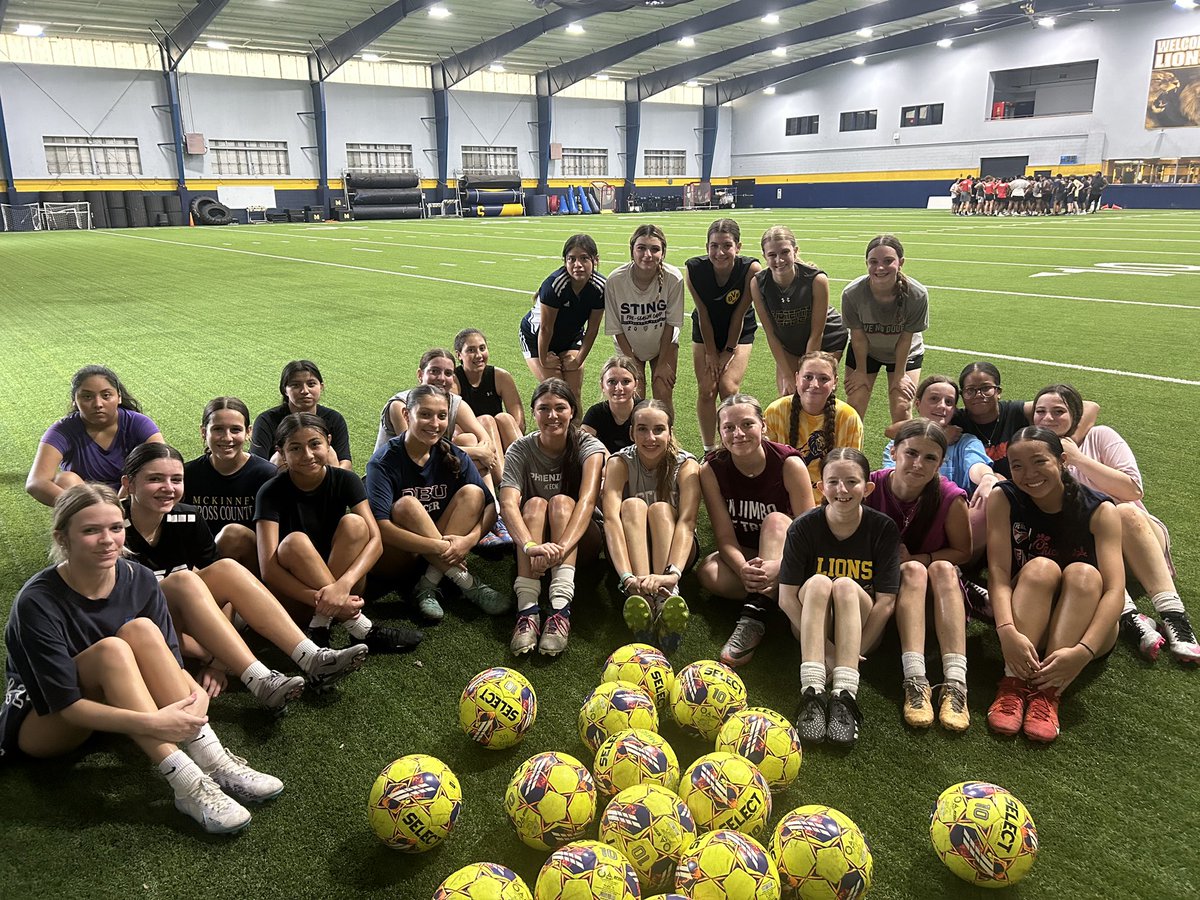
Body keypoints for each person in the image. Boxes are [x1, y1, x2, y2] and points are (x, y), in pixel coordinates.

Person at [1, 484, 279, 834]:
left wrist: (196, 697)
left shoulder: (140, 578)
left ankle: (217, 762)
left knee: (141, 630)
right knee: (111, 649)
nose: (108, 540)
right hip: (48, 724)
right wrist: (152, 724)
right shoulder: (36, 602)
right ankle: (188, 786)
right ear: (63, 537)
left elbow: (172, 663)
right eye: (90, 530)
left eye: (116, 528)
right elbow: (66, 706)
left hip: (114, 708)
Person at [121, 443, 367, 710]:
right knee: (184, 580)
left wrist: (218, 659)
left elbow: (222, 594)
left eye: (176, 479)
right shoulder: (111, 527)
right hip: (141, 632)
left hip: (183, 623)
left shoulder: (188, 517)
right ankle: (257, 675)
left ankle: (310, 658)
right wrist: (209, 652)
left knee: (224, 568)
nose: (168, 487)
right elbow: (116, 615)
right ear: (129, 484)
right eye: (154, 479)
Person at [1031, 384, 1197, 664]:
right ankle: (1131, 619)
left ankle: (1175, 618)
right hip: (1093, 555)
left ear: (1075, 414)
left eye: (1058, 412)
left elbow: (1133, 491)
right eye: (1040, 412)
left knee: (1119, 513)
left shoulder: (1100, 436)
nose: (1048, 418)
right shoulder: (1038, 454)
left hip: (1139, 541)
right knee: (1077, 530)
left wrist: (1079, 459)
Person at [984, 427, 1123, 743]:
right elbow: (999, 573)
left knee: (1085, 574)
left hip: (1087, 631)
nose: (1028, 474)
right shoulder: (1004, 498)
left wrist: (1084, 651)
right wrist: (1005, 630)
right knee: (1041, 568)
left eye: (1038, 462)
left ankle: (1048, 693)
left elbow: (1115, 591)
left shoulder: (1100, 510)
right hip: (1026, 623)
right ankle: (1014, 684)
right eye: (1017, 465)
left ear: (1061, 461)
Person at [255, 413, 421, 654]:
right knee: (294, 542)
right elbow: (268, 569)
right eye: (296, 448)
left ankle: (320, 626)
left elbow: (376, 541)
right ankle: (364, 629)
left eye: (315, 444)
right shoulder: (270, 492)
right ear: (281, 451)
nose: (308, 455)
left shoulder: (346, 480)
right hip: (299, 595)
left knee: (355, 523)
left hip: (347, 584)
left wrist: (342, 586)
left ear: (329, 442)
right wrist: (321, 598)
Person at [778, 449, 901, 748]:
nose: (842, 490)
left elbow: (885, 602)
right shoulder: (803, 526)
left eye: (851, 482)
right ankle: (812, 691)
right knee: (820, 583)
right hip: (812, 625)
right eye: (832, 482)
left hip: (857, 628)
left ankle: (845, 695)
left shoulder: (883, 528)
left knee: (845, 585)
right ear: (820, 487)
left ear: (868, 488)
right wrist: (830, 653)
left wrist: (852, 654)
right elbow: (786, 598)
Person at [365, 385, 509, 623]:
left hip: (438, 547)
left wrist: (469, 540)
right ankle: (468, 583)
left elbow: (490, 507)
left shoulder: (451, 453)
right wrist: (440, 548)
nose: (434, 423)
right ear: (406, 415)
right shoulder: (383, 461)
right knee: (407, 506)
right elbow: (381, 529)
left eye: (442, 416)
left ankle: (428, 584)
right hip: (398, 556)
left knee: (474, 493)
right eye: (425, 414)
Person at [867, 420, 972, 731]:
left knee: (937, 567)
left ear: (941, 463)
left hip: (932, 602)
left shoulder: (950, 497)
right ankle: (915, 680)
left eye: (930, 458)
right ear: (893, 451)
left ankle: (956, 684)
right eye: (911, 453)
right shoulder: (869, 486)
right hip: (880, 593)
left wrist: (919, 558)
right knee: (912, 570)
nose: (918, 464)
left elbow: (962, 552)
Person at [698, 394, 814, 668]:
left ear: (763, 425)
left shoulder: (789, 463)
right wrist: (743, 570)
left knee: (775, 521)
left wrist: (781, 565)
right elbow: (725, 539)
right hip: (749, 556)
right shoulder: (712, 469)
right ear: (720, 432)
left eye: (747, 424)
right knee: (708, 573)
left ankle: (753, 617)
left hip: (788, 556)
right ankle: (776, 597)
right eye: (728, 427)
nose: (738, 434)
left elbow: (812, 537)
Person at [499, 379, 605, 657]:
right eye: (543, 408)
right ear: (533, 412)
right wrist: (531, 547)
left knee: (560, 502)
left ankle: (560, 611)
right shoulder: (520, 449)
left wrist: (561, 548)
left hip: (580, 541)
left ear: (572, 411)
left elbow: (588, 500)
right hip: (536, 547)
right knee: (533, 504)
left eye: (560, 407)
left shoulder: (587, 445)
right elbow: (508, 505)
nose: (552, 415)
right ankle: (527, 612)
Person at [376, 348, 508, 544]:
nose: (441, 378)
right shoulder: (401, 405)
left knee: (470, 439)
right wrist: (477, 452)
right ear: (420, 374)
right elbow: (417, 447)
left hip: (432, 475)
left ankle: (492, 514)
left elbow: (485, 440)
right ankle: (484, 520)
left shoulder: (455, 403)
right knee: (471, 450)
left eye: (448, 373)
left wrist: (480, 450)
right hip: (402, 478)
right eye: (434, 371)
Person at [602, 400, 700, 654]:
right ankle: (641, 597)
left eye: (658, 429)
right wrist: (626, 576)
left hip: (676, 554)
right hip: (634, 552)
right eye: (642, 429)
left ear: (670, 432)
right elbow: (611, 521)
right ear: (631, 432)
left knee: (660, 509)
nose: (650, 437)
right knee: (632, 505)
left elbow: (688, 522)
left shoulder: (686, 465)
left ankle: (666, 595)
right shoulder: (619, 462)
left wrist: (673, 574)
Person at [883, 375, 994, 568]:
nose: (942, 406)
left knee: (993, 491)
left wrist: (987, 477)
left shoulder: (966, 442)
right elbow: (896, 483)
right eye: (934, 399)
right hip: (905, 522)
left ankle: (965, 569)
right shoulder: (898, 444)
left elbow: (975, 466)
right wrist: (940, 435)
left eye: (949, 402)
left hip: (953, 525)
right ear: (918, 404)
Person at [27, 365, 163, 505]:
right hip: (86, 502)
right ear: (75, 400)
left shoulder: (137, 423)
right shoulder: (62, 431)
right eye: (87, 397)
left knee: (149, 472)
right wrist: (91, 508)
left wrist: (123, 498)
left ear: (119, 397)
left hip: (132, 497)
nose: (98, 404)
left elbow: (163, 464)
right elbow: (36, 482)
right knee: (65, 480)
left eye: (106, 395)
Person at [687, 218, 762, 454]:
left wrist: (727, 353)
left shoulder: (751, 269)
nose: (720, 252)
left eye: (727, 246)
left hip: (739, 331)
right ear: (707, 246)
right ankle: (710, 450)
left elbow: (739, 314)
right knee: (707, 389)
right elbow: (703, 314)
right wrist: (711, 353)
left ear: (738, 247)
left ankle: (732, 446)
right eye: (714, 246)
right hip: (706, 329)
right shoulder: (694, 269)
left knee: (728, 388)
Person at [952, 361, 1099, 480]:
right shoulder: (956, 420)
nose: (978, 395)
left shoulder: (1015, 411)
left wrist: (1066, 443)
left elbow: (1090, 407)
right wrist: (942, 437)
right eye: (970, 390)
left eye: (986, 388)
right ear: (962, 395)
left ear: (998, 392)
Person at [752, 226, 848, 399]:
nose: (779, 260)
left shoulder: (816, 280)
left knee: (814, 394)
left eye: (785, 252)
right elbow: (771, 335)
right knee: (787, 396)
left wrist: (806, 374)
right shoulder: (758, 284)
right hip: (790, 342)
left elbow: (816, 333)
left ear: (795, 252)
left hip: (826, 338)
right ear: (764, 256)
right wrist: (789, 376)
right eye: (772, 255)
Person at [841, 235, 928, 425]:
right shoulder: (852, 293)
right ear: (866, 263)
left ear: (901, 262)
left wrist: (899, 375)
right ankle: (849, 455)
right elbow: (858, 337)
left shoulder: (917, 294)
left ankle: (903, 453)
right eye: (874, 262)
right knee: (853, 407)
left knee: (902, 407)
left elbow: (906, 339)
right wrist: (861, 371)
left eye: (888, 261)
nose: (880, 268)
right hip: (866, 351)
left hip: (905, 352)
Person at [183, 397, 278, 572]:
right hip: (201, 566)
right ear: (204, 432)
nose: (227, 438)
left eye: (235, 430)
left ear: (248, 432)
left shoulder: (267, 475)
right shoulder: (187, 475)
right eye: (218, 429)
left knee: (233, 535)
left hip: (254, 567)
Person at [603, 224, 684, 415]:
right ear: (632, 251)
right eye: (641, 248)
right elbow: (617, 329)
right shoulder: (615, 280)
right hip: (628, 344)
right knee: (634, 396)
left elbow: (671, 324)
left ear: (663, 253)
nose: (648, 254)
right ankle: (633, 441)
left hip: (664, 343)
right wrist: (632, 362)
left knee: (663, 392)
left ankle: (667, 441)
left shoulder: (674, 278)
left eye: (655, 249)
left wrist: (663, 363)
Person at [764, 351, 862, 501]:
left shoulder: (849, 418)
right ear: (796, 378)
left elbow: (851, 473)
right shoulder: (775, 411)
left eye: (824, 378)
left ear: (835, 382)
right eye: (808, 377)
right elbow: (768, 468)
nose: (815, 385)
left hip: (831, 502)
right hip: (784, 498)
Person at [520, 234, 606, 401]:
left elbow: (593, 328)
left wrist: (578, 360)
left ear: (595, 260)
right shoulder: (555, 285)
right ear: (565, 261)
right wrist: (544, 358)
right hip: (536, 337)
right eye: (571, 259)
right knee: (557, 393)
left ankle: (576, 428)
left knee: (573, 394)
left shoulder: (600, 287)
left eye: (584, 258)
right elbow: (545, 328)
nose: (577, 265)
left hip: (570, 337)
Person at [250, 360, 352, 471]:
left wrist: (340, 480)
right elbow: (258, 465)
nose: (305, 391)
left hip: (323, 479)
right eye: (296, 385)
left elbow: (345, 462)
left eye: (311, 384)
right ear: (285, 390)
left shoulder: (334, 418)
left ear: (321, 386)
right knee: (278, 458)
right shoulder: (266, 420)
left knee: (329, 452)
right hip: (281, 480)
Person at [452, 327, 525, 453]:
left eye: (482, 348)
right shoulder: (453, 380)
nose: (479, 355)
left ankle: (525, 466)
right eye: (471, 350)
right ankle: (501, 471)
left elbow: (518, 423)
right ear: (459, 355)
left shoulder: (501, 377)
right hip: (473, 441)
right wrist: (485, 433)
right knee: (487, 420)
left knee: (505, 418)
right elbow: (453, 427)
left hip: (501, 438)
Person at [581, 355, 642, 454]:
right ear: (602, 386)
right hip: (605, 466)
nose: (619, 388)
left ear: (635, 385)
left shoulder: (646, 411)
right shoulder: (595, 413)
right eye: (611, 382)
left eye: (626, 382)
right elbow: (583, 448)